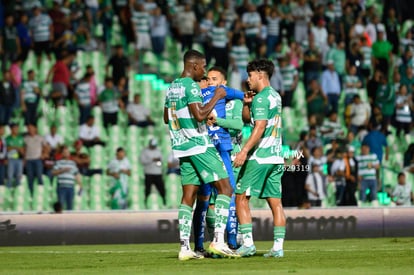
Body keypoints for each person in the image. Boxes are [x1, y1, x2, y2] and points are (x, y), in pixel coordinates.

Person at [163, 49, 237, 260]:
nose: (204, 71)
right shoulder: (191, 87)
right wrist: (217, 95)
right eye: (203, 66)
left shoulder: (173, 87)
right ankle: (218, 241)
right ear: (194, 66)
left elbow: (166, 118)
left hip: (182, 147)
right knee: (225, 188)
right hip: (199, 145)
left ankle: (185, 248)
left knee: (188, 197)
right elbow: (201, 114)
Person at [233, 59, 286, 258]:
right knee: (276, 202)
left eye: (250, 75)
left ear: (260, 75)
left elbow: (259, 127)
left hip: (261, 156)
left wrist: (244, 150)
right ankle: (278, 248)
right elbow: (250, 119)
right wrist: (246, 105)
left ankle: (248, 244)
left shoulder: (262, 98)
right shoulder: (275, 96)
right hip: (276, 157)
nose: (248, 80)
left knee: (241, 196)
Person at [193, 67, 244, 253]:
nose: (210, 81)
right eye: (208, 78)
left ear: (223, 83)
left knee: (229, 195)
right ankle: (201, 244)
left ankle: (231, 239)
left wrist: (217, 121)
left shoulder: (233, 103)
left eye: (214, 79)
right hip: (207, 151)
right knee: (205, 200)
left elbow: (238, 125)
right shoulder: (203, 99)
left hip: (230, 154)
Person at [52, 146, 82, 211]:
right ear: (62, 154)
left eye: (67, 152)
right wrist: (63, 170)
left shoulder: (72, 163)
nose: (66, 153)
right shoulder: (58, 162)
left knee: (70, 206)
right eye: (64, 152)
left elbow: (76, 174)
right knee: (61, 205)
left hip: (70, 187)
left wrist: (80, 185)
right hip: (61, 187)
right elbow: (53, 172)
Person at [140, 138, 166, 208]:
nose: (154, 147)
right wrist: (152, 160)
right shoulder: (145, 151)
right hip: (149, 173)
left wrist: (158, 160)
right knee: (147, 189)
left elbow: (162, 160)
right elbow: (142, 161)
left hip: (158, 173)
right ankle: (146, 204)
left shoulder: (158, 151)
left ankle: (164, 202)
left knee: (161, 189)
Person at [24, 124, 47, 197]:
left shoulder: (40, 138)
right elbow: (24, 149)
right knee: (30, 178)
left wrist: (44, 154)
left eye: (31, 128)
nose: (29, 130)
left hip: (37, 160)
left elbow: (46, 147)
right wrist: (24, 159)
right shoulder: (25, 138)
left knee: (39, 176)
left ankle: (41, 193)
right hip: (29, 160)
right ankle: (31, 195)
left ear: (35, 129)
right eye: (28, 128)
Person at [6, 123, 24, 189]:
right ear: (11, 129)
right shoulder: (8, 138)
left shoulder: (21, 138)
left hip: (19, 159)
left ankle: (18, 190)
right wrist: (16, 148)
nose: (16, 130)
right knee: (10, 176)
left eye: (17, 128)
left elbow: (23, 149)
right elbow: (7, 149)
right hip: (11, 159)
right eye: (14, 128)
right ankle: (8, 189)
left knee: (19, 176)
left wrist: (15, 148)